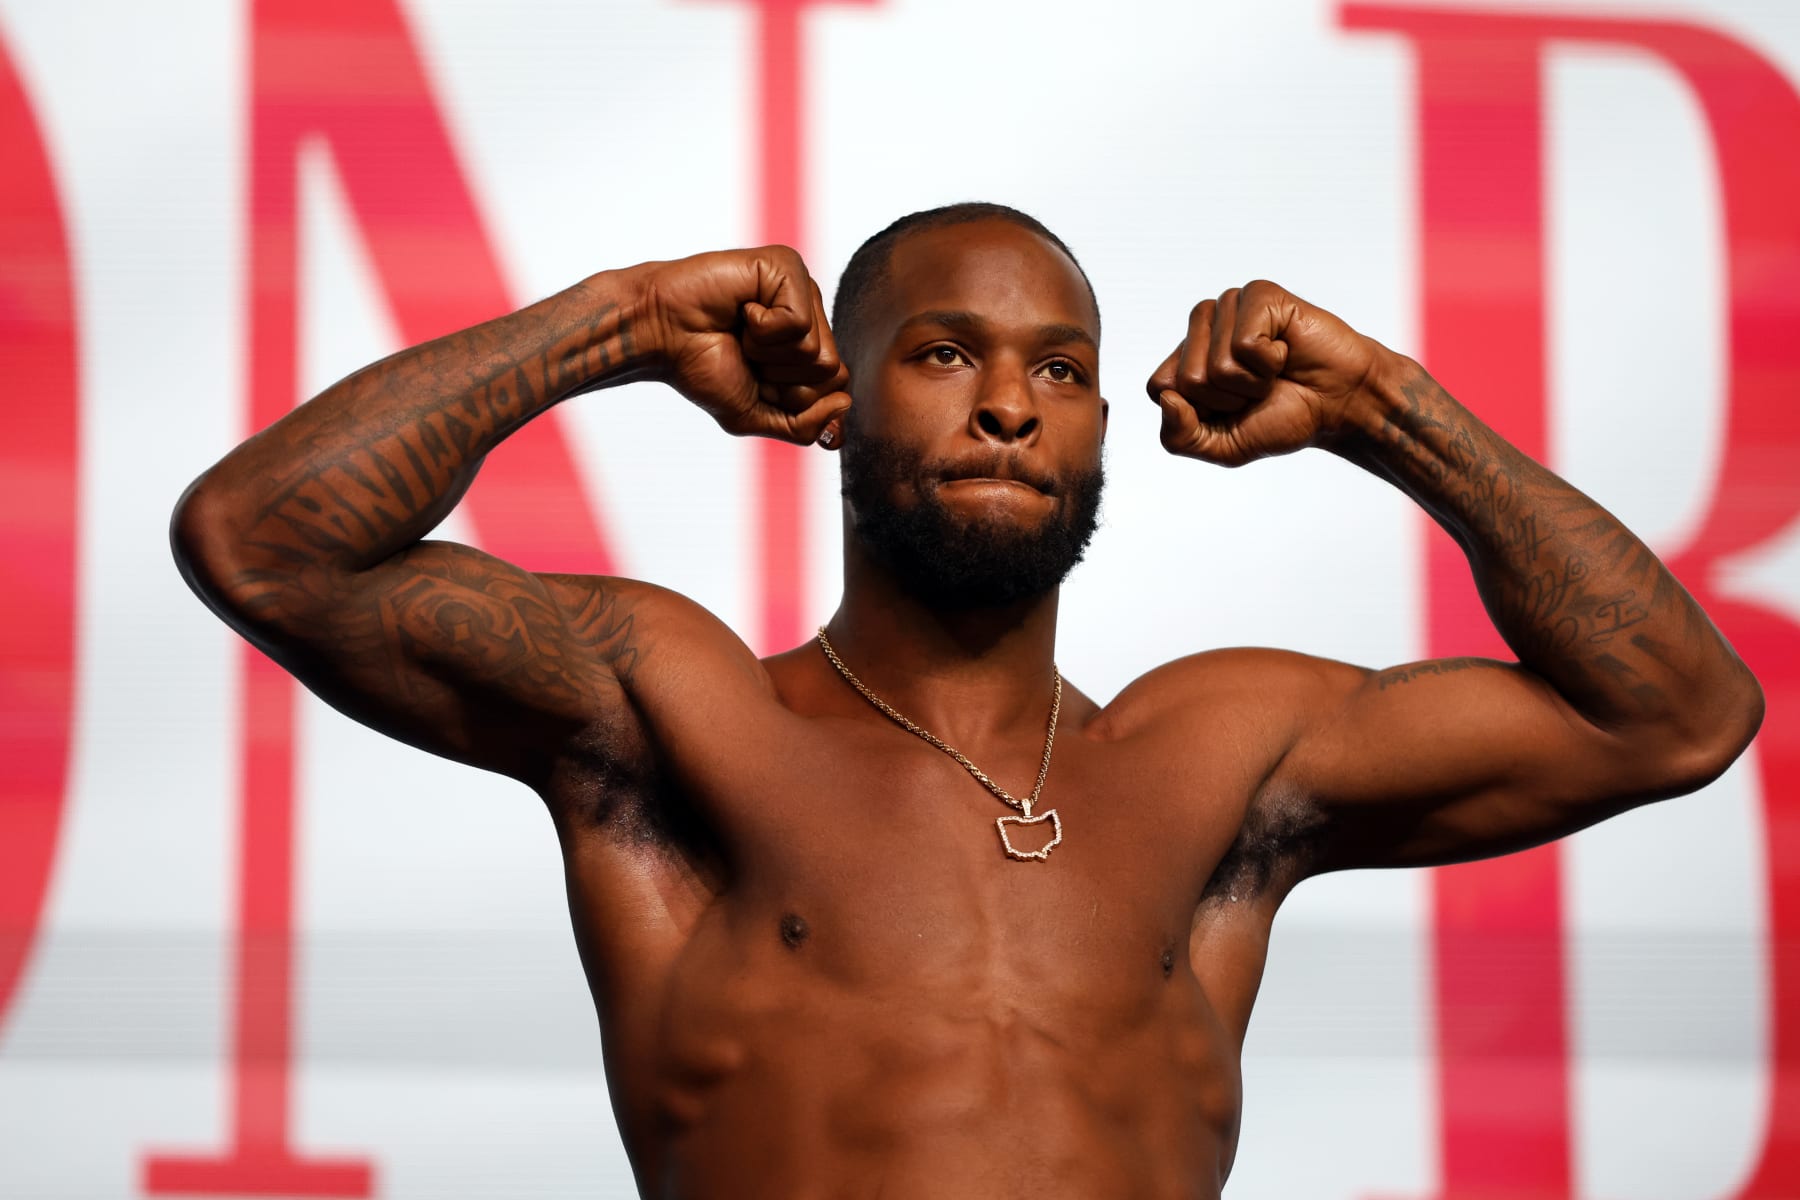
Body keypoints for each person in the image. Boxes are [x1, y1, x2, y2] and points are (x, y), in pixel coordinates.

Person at [171, 201, 1762, 1198]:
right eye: (945, 353)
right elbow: (262, 544)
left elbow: (1677, 715)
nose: (1009, 403)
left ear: (1098, 434)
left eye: (1060, 371)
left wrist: (1383, 408)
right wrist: (629, 320)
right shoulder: (679, 714)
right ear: (834, 397)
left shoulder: (1223, 756)